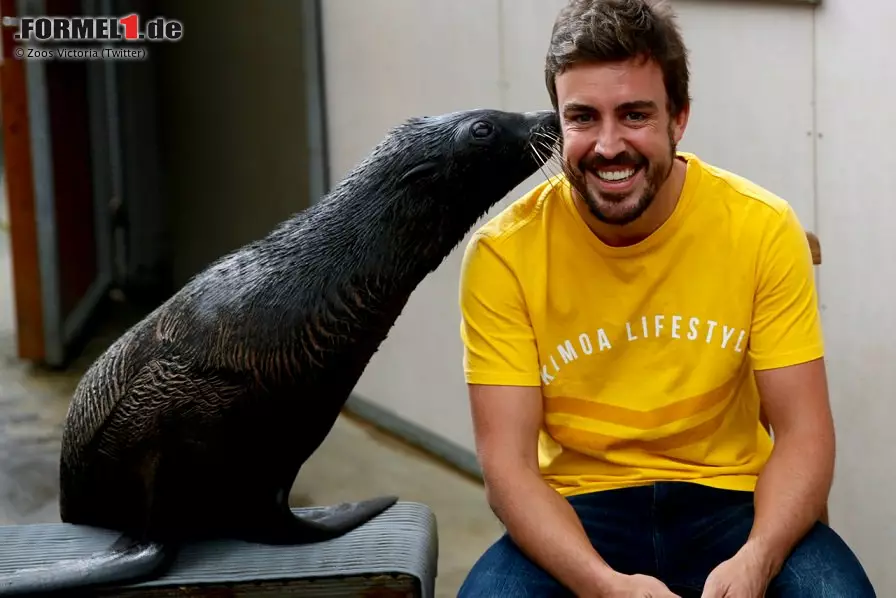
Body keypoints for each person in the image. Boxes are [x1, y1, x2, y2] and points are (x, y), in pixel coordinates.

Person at [455, 0, 875, 596]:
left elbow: (805, 434)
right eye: (582, 117)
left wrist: (758, 558)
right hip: (580, 511)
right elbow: (510, 470)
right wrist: (602, 584)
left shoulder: (759, 226)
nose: (606, 146)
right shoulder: (503, 253)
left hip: (733, 503)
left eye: (634, 115)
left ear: (678, 119)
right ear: (558, 121)